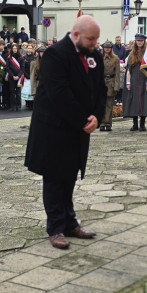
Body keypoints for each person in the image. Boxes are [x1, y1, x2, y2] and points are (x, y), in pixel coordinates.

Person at [24, 15, 106, 250]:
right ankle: (56, 228)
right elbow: (59, 93)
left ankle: (70, 222)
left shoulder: (94, 55)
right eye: (91, 39)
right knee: (54, 178)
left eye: (96, 39)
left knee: (69, 175)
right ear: (76, 34)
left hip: (78, 128)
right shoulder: (55, 54)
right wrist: (83, 119)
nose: (95, 43)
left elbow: (101, 89)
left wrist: (97, 117)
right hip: (54, 128)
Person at [121, 33, 147, 131]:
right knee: (133, 101)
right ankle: (135, 124)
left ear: (144, 41)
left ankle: (142, 124)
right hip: (134, 79)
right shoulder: (131, 53)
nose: (139, 42)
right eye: (138, 41)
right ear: (135, 41)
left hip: (144, 78)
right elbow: (129, 69)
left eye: (141, 41)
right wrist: (128, 82)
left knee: (143, 101)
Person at [99, 41, 120, 131]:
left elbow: (117, 74)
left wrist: (116, 86)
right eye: (105, 47)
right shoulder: (99, 58)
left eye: (109, 47)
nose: (107, 49)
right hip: (101, 83)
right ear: (103, 48)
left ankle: (108, 123)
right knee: (101, 104)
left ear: (111, 48)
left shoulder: (115, 58)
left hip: (111, 83)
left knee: (109, 105)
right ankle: (102, 123)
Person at [3, 44, 22, 112]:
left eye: (15, 48)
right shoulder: (9, 58)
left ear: (17, 49)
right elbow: (7, 68)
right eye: (13, 48)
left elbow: (22, 68)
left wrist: (18, 76)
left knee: (18, 92)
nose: (14, 49)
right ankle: (13, 105)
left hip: (19, 77)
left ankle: (18, 105)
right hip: (11, 77)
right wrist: (12, 75)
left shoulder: (21, 58)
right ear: (11, 49)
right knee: (12, 92)